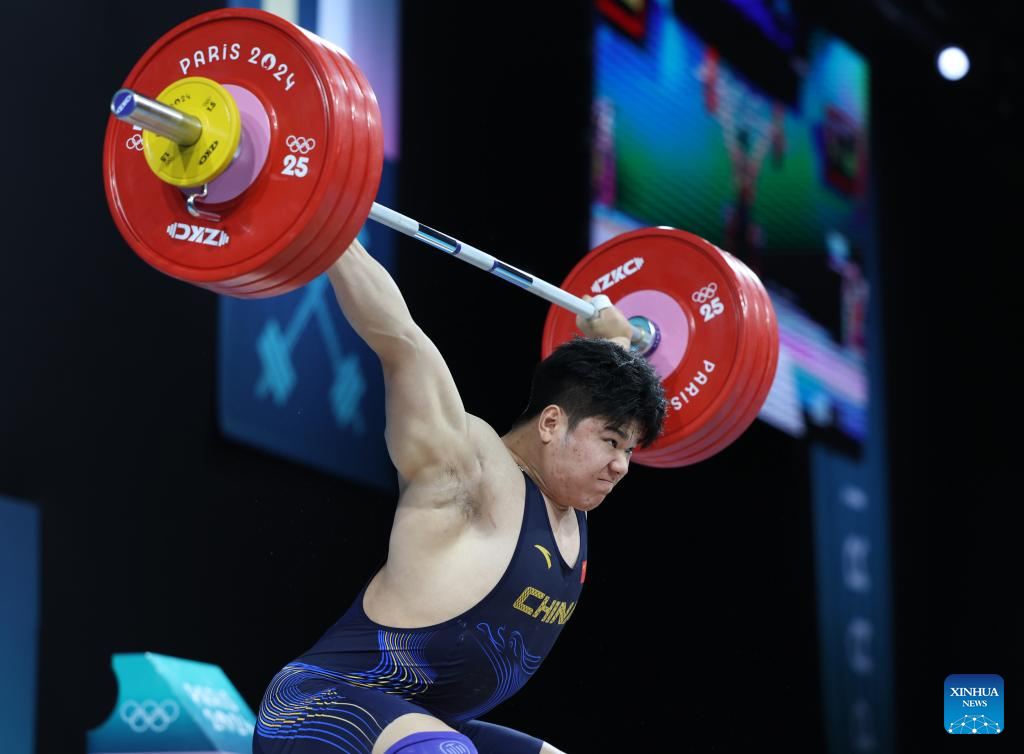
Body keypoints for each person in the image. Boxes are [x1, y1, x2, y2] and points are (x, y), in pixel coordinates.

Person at [253, 239, 667, 754]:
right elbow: (400, 340)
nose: (621, 466)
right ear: (552, 422)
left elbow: (600, 395)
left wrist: (617, 342)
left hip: (428, 726)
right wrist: (329, 230)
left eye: (628, 450)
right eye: (611, 443)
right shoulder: (470, 471)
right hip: (320, 707)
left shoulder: (568, 499)